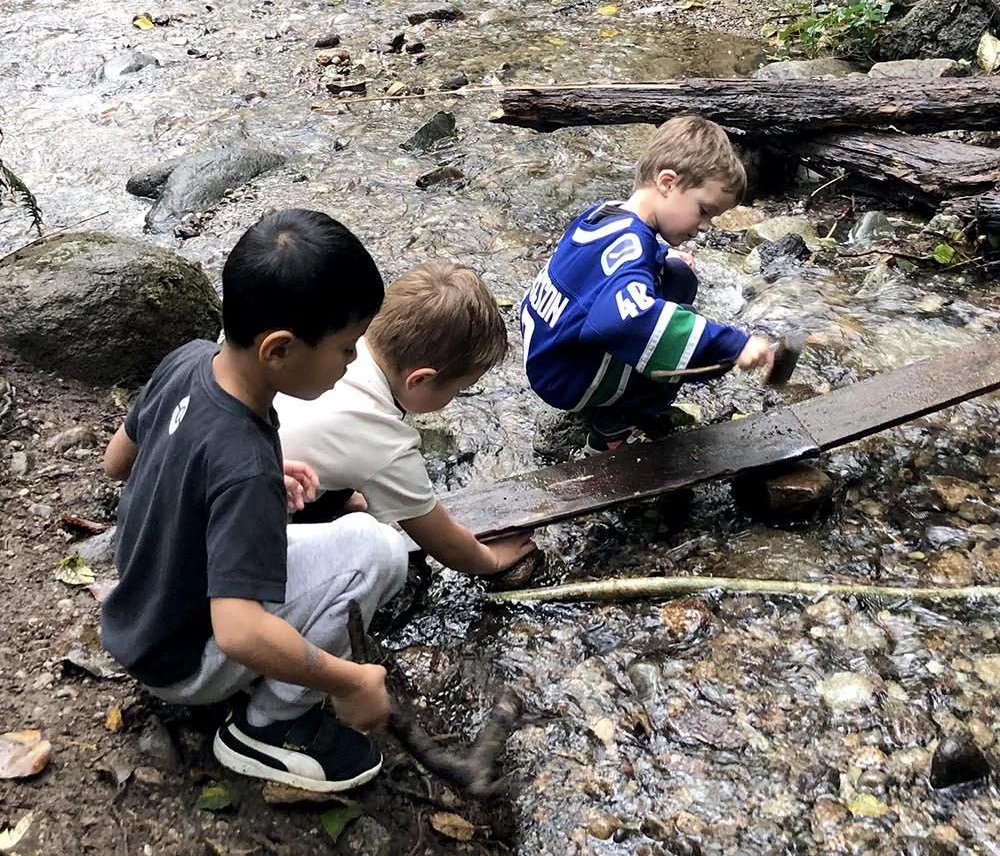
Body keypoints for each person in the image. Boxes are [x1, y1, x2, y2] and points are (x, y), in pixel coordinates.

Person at [100, 208, 409, 795]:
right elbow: (239, 631)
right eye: (346, 350)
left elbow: (120, 460)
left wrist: (261, 477)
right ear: (279, 350)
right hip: (184, 662)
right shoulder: (240, 459)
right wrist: (348, 681)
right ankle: (270, 725)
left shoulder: (189, 360)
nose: (350, 367)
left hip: (141, 614)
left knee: (349, 542)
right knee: (379, 550)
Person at [520, 113, 776, 453]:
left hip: (550, 348)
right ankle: (612, 428)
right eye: (703, 211)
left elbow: (606, 267)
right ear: (667, 182)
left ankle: (615, 394)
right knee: (667, 336)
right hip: (567, 378)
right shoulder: (632, 246)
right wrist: (732, 345)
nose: (706, 226)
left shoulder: (606, 213)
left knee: (677, 277)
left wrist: (658, 256)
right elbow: (630, 320)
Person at [276, 259, 537, 577]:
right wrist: (490, 560)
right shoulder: (380, 439)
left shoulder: (337, 342)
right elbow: (439, 537)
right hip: (246, 547)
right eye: (457, 389)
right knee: (382, 545)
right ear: (419, 380)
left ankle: (333, 502)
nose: (454, 398)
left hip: (241, 477)